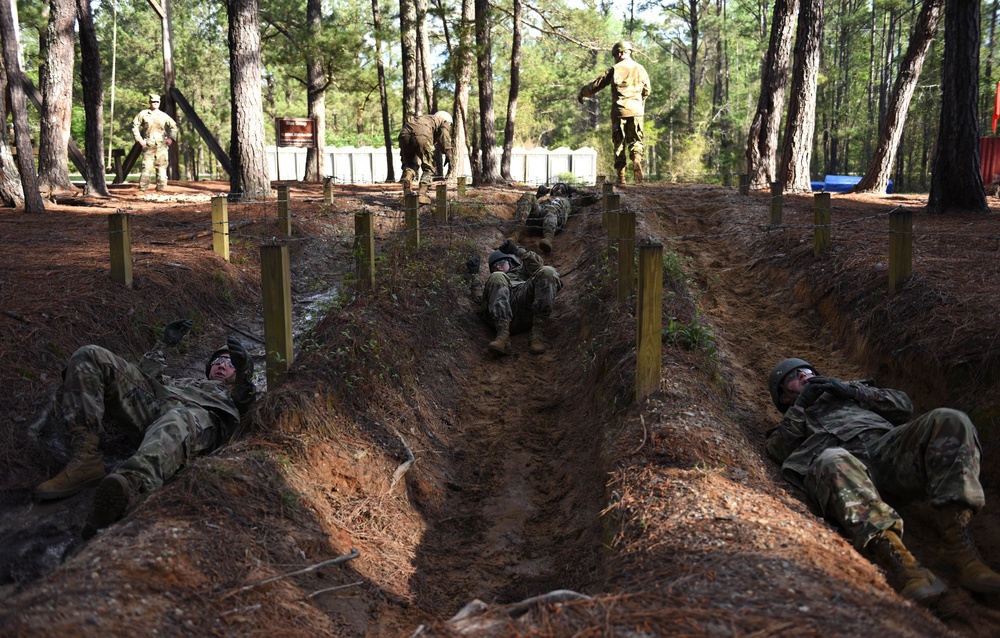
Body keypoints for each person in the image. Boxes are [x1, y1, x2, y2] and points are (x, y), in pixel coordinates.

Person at [765, 357, 1000, 605]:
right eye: (793, 376)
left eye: (806, 370)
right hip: (848, 469)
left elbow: (903, 405)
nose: (803, 375)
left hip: (889, 453)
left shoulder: (850, 392)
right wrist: (801, 406)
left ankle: (959, 547)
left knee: (950, 418)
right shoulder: (792, 420)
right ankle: (903, 563)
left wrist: (850, 390)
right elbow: (778, 450)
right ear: (783, 397)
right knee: (831, 458)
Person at [33, 319, 256, 538]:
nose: (221, 365)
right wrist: (164, 345)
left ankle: (130, 487)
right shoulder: (183, 382)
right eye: (218, 360)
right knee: (90, 354)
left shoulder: (235, 396)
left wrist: (244, 376)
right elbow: (142, 379)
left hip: (198, 420)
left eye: (231, 364)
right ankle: (85, 458)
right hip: (155, 407)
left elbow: (248, 408)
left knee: (178, 417)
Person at [465, 239, 561, 356]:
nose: (498, 267)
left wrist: (517, 250)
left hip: (525, 305)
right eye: (495, 266)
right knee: (497, 276)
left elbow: (538, 264)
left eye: (502, 263)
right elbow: (481, 300)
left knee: (548, 271)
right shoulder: (495, 279)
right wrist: (474, 275)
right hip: (500, 315)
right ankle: (503, 337)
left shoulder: (524, 271)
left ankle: (537, 334)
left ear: (512, 262)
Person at [577, 41, 650, 186]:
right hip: (636, 111)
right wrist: (639, 103)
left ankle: (621, 177)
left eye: (614, 55)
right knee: (636, 141)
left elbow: (597, 84)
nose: (614, 58)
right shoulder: (641, 69)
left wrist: (582, 93)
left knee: (619, 143)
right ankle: (636, 160)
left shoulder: (615, 69)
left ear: (620, 53)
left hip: (619, 111)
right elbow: (647, 90)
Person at [521, 183, 600, 253]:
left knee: (550, 210)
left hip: (554, 222)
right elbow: (524, 208)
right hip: (536, 222)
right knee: (529, 197)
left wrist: (575, 189)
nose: (558, 189)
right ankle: (516, 233)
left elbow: (594, 197)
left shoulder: (571, 202)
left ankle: (548, 238)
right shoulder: (545, 201)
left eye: (561, 187)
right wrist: (537, 196)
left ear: (566, 192)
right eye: (556, 188)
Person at [398, 111, 454, 205]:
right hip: (422, 135)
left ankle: (407, 194)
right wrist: (448, 154)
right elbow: (444, 135)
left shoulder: (426, 119)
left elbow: (438, 139)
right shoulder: (444, 121)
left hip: (404, 135)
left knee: (409, 164)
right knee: (429, 167)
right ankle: (422, 195)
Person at [131, 93, 178, 192]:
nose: (155, 103)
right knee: (147, 167)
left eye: (157, 102)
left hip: (161, 145)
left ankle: (161, 189)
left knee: (161, 168)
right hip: (148, 144)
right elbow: (134, 126)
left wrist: (171, 138)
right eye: (153, 102)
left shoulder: (163, 115)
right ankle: (142, 189)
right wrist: (139, 139)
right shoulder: (143, 114)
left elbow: (173, 126)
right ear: (150, 102)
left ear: (159, 103)